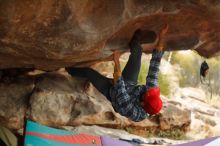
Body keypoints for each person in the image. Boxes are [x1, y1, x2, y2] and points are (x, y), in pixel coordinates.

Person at [66, 25, 168, 122]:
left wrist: (116, 60)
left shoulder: (135, 113)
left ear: (142, 103)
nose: (148, 91)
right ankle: (135, 41)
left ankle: (68, 68)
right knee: (137, 52)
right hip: (130, 83)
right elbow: (154, 68)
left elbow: (119, 86)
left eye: (148, 94)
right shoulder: (152, 92)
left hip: (112, 93)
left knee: (87, 72)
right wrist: (162, 36)